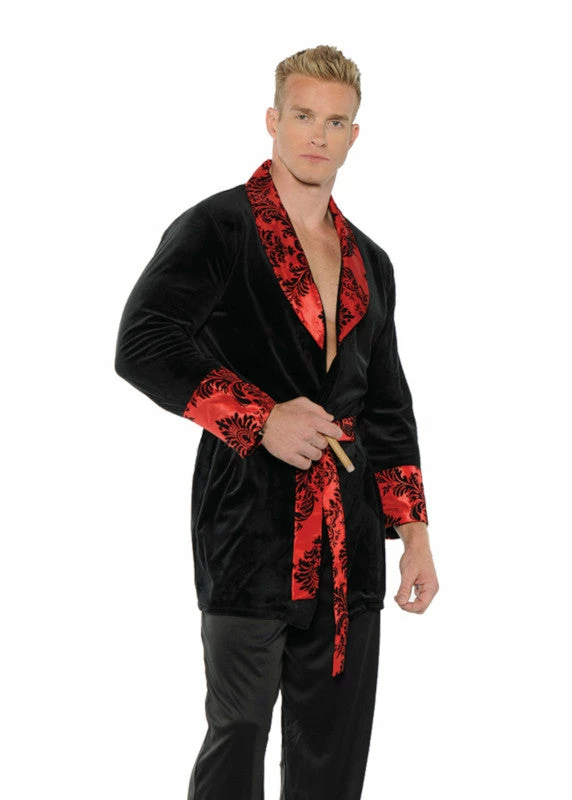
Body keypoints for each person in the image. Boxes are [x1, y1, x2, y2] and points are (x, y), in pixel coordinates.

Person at [115, 44, 439, 800]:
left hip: (350, 541)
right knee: (238, 736)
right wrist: (259, 418)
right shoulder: (218, 228)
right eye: (302, 115)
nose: (317, 136)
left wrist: (415, 534)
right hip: (247, 530)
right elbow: (143, 343)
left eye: (335, 122)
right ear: (272, 120)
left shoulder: (371, 262)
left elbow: (388, 405)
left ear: (354, 136)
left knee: (333, 755)